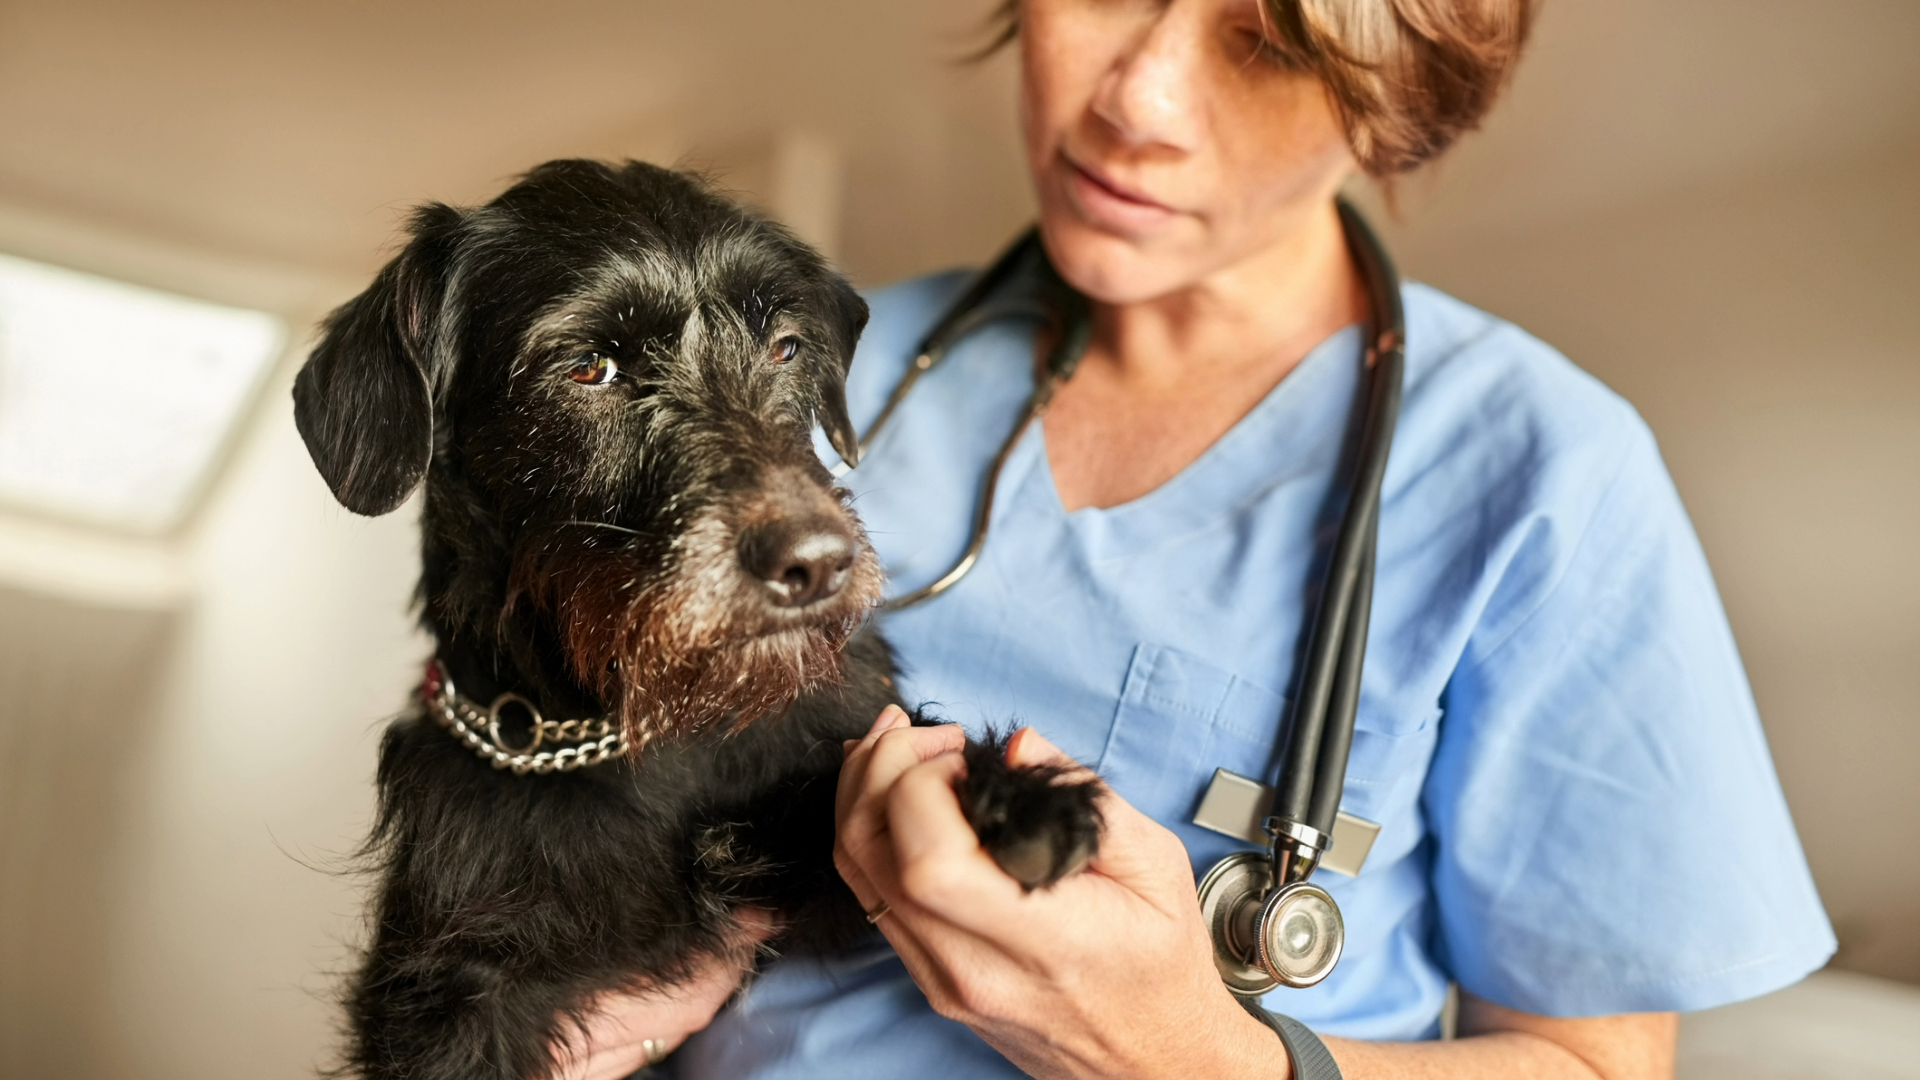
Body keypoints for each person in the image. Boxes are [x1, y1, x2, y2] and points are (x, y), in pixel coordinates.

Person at [557, 0, 1835, 1076]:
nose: (1139, 100)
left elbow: (1592, 1065)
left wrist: (1194, 1053)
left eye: (1266, 40)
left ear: (1397, 99)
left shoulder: (1543, 476)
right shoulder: (802, 369)